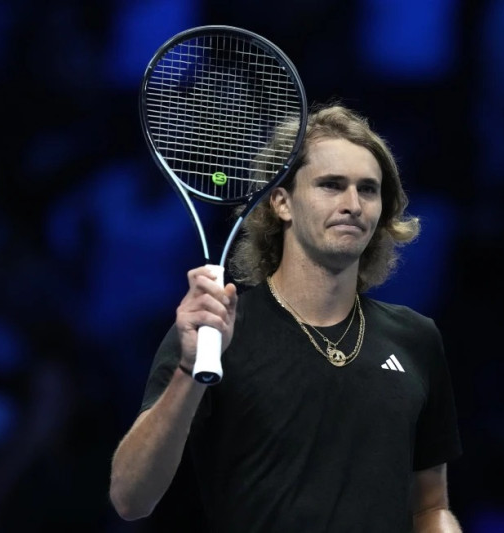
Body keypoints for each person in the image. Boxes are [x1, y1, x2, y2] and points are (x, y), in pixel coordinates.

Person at [109, 104, 463, 532]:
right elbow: (130, 497)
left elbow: (430, 508)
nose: (353, 204)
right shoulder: (216, 329)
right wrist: (189, 369)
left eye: (368, 190)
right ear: (281, 202)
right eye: (331, 185)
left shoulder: (416, 338)